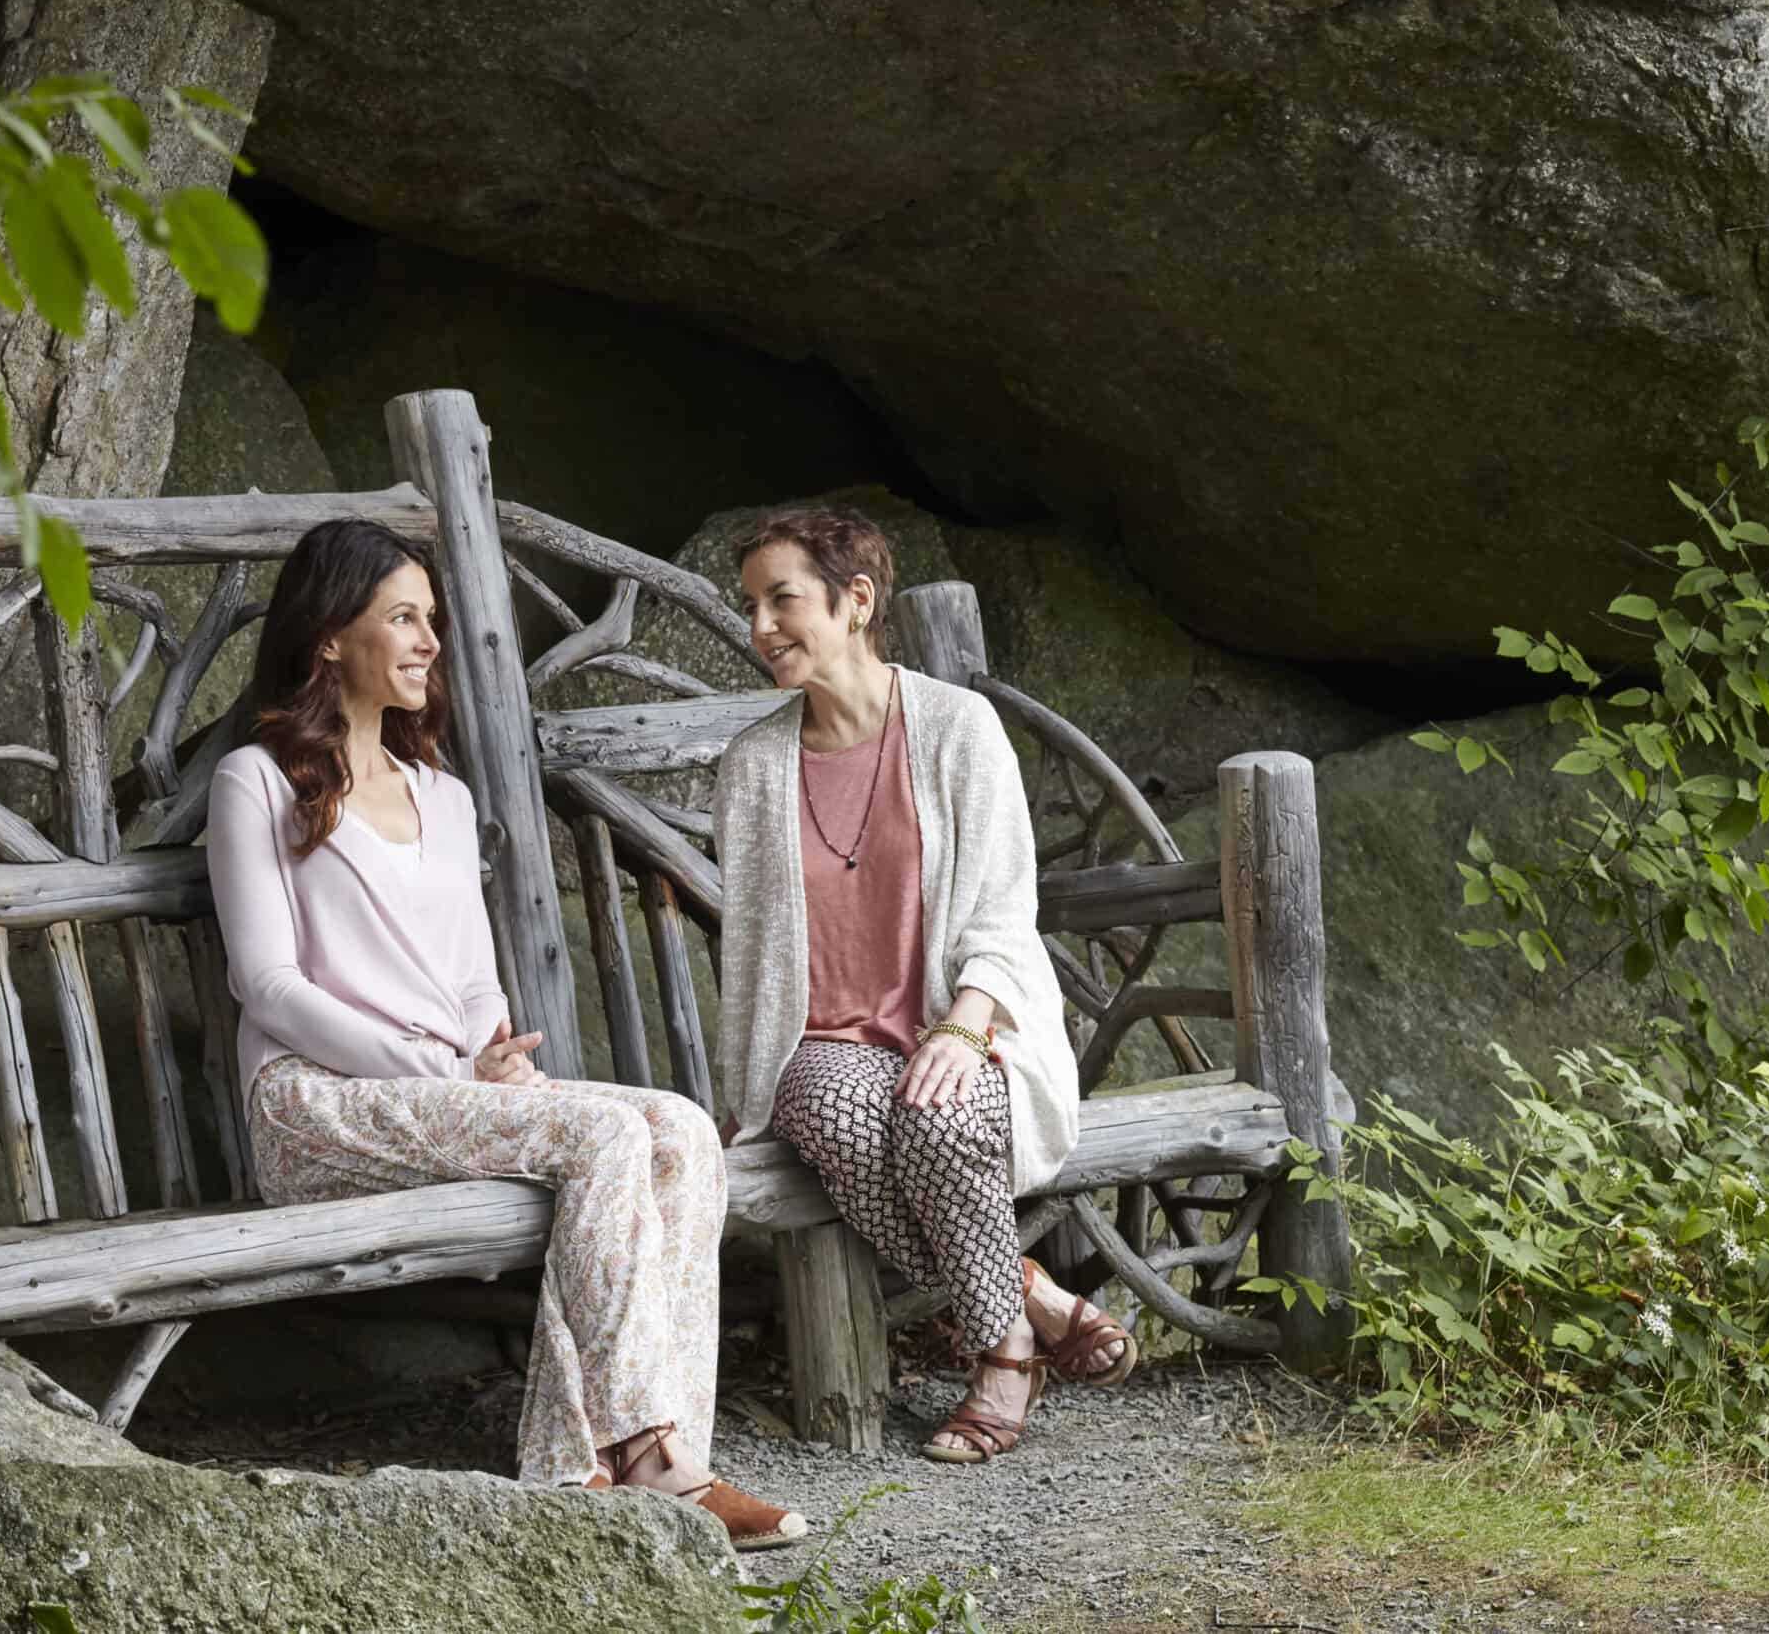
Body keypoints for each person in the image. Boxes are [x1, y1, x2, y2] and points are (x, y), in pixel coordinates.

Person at [206, 517, 805, 1548]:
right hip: (316, 1105)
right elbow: (265, 984)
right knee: (605, 1138)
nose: (428, 641)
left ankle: (587, 1469)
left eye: (432, 619)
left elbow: (475, 977)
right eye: (402, 617)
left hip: (444, 1095)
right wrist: (440, 1067)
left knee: (678, 1128)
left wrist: (486, 1054)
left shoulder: (442, 796)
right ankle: (651, 1460)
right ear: (328, 639)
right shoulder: (256, 782)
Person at [714, 506, 1137, 1464]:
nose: (761, 629)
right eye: (750, 607)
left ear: (855, 599)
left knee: (941, 1116)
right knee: (828, 1109)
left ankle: (1003, 1345)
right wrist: (748, 1092)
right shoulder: (751, 767)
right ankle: (1018, 1314)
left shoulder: (957, 727)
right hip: (826, 1046)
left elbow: (1001, 902)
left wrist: (963, 1025)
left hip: (966, 1019)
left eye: (782, 600)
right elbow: (747, 955)